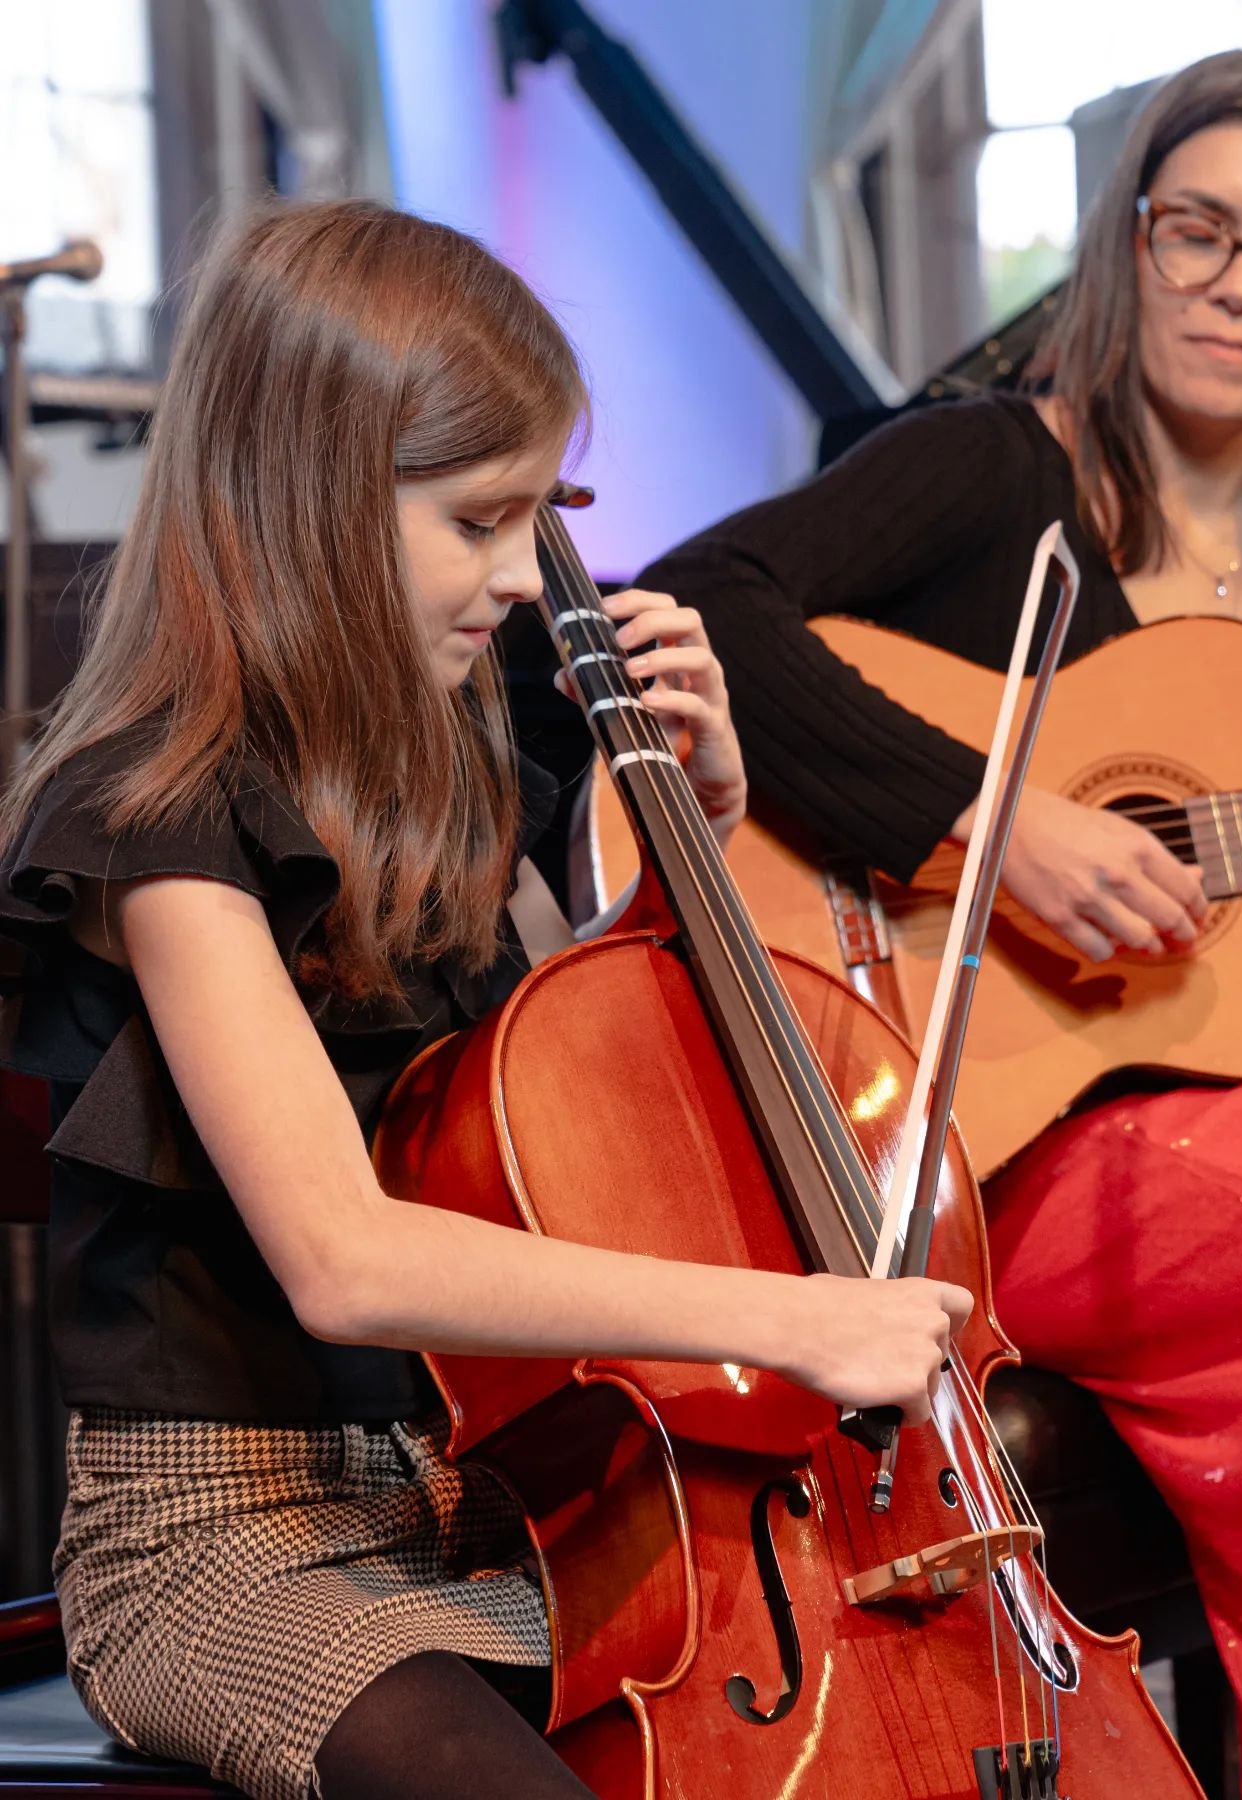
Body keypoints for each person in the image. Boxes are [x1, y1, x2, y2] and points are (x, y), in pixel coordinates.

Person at [0, 200, 971, 1800]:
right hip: (229, 1545)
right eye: (480, 518)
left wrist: (701, 841)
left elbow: (541, 1092)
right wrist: (794, 1319)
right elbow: (347, 1259)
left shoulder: (437, 757)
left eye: (544, 516)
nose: (528, 574)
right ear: (308, 499)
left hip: (493, 1497)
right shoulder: (151, 813)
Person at [637, 49, 1242, 1800]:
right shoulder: (994, 476)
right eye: (1199, 230)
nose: (1241, 283)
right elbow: (693, 604)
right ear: (1126, 244)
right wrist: (989, 835)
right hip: (975, 1143)